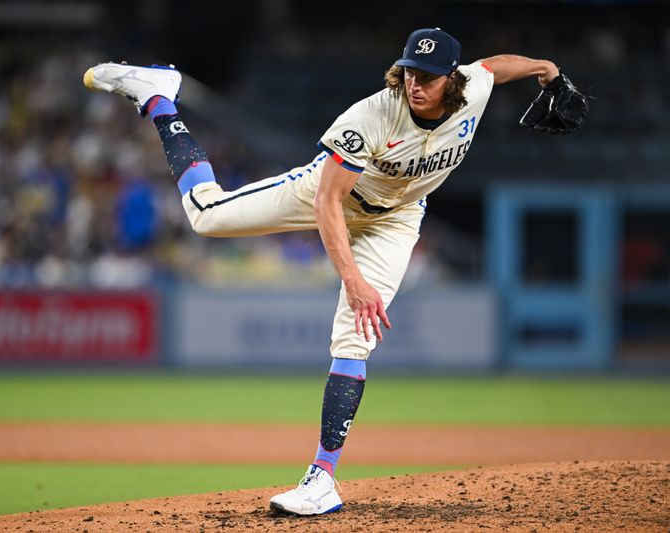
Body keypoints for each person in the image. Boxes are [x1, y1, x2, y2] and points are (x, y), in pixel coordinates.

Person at [83, 27, 560, 516]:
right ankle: (160, 98)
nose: (416, 83)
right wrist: (353, 281)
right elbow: (329, 203)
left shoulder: (471, 88)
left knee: (355, 340)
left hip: (397, 218)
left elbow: (495, 66)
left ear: (451, 80)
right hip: (329, 194)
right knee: (208, 217)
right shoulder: (371, 116)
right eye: (411, 71)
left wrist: (546, 68)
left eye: (430, 76)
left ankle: (322, 479)